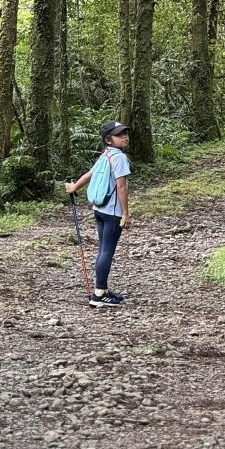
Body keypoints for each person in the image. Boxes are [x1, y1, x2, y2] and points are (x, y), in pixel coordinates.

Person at [65, 120, 131, 308]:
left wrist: (74, 187)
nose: (125, 137)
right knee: (107, 251)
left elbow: (89, 174)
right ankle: (99, 294)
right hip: (112, 212)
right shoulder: (119, 158)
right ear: (109, 140)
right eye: (120, 134)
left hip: (100, 210)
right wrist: (125, 214)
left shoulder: (106, 155)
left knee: (103, 249)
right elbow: (121, 186)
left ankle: (102, 289)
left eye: (125, 133)